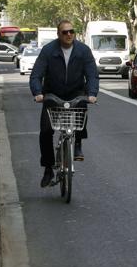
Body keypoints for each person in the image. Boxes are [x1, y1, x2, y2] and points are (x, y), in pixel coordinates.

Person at [29, 20, 99, 188]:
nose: (69, 35)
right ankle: (47, 168)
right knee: (46, 131)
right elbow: (36, 74)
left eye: (71, 32)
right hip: (52, 94)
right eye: (65, 32)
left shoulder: (83, 50)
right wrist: (38, 93)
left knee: (82, 106)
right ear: (58, 34)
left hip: (75, 92)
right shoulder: (48, 50)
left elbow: (92, 75)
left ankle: (78, 144)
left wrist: (91, 94)